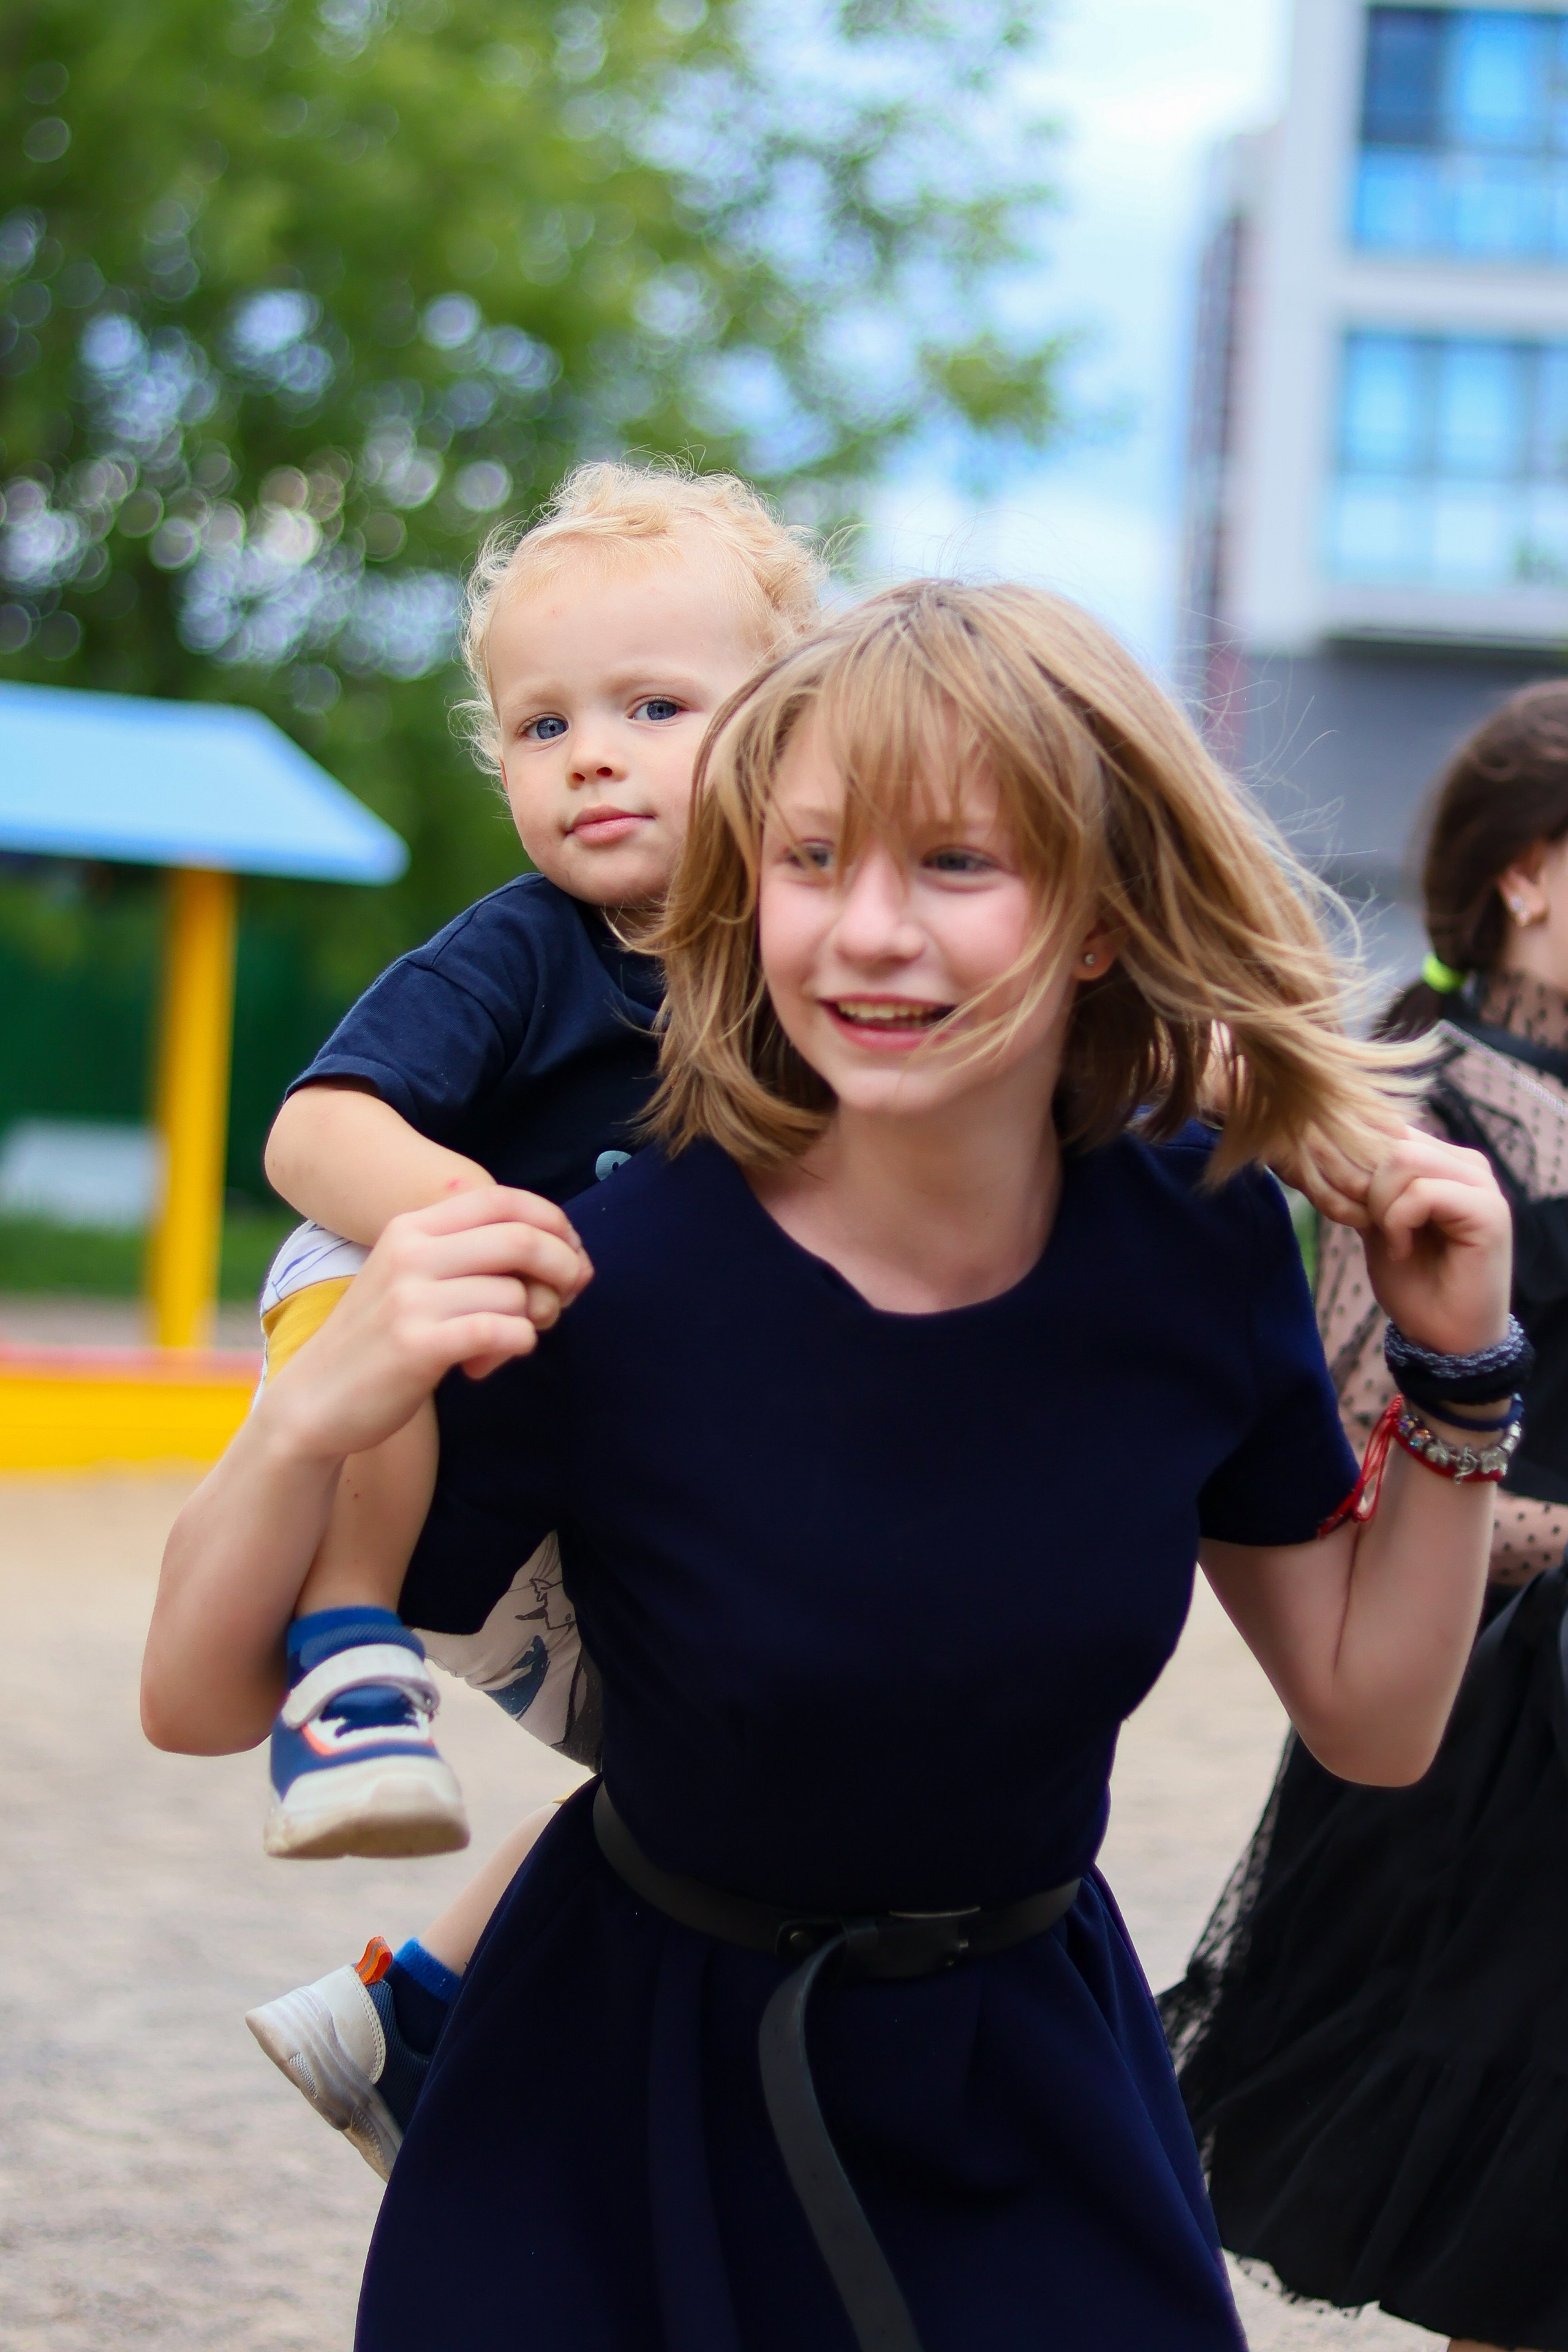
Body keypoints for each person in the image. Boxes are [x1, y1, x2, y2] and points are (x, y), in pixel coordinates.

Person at [144, 579, 1516, 2352]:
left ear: (1099, 917)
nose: (868, 935)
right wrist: (318, 1407)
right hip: (612, 2110)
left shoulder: (1197, 1243)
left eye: (957, 865)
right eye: (811, 863)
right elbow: (196, 1697)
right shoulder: (616, 1278)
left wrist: (1461, 1373)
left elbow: (1374, 1716)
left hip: (1027, 2101)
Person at [237, 459, 823, 2172]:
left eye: (653, 707)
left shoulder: (801, 969)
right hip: (404, 1312)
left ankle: (410, 2009)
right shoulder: (524, 949)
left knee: (727, 1761)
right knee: (394, 1306)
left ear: (789, 728)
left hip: (577, 1436)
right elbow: (309, 1134)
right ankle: (342, 1668)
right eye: (538, 725)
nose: (588, 754)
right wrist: (467, 1216)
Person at [1162, 682, 1568, 2352]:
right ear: (1529, 872)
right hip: (1486, 1732)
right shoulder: (1406, 1096)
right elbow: (1352, 1436)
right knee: (1515, 2229)